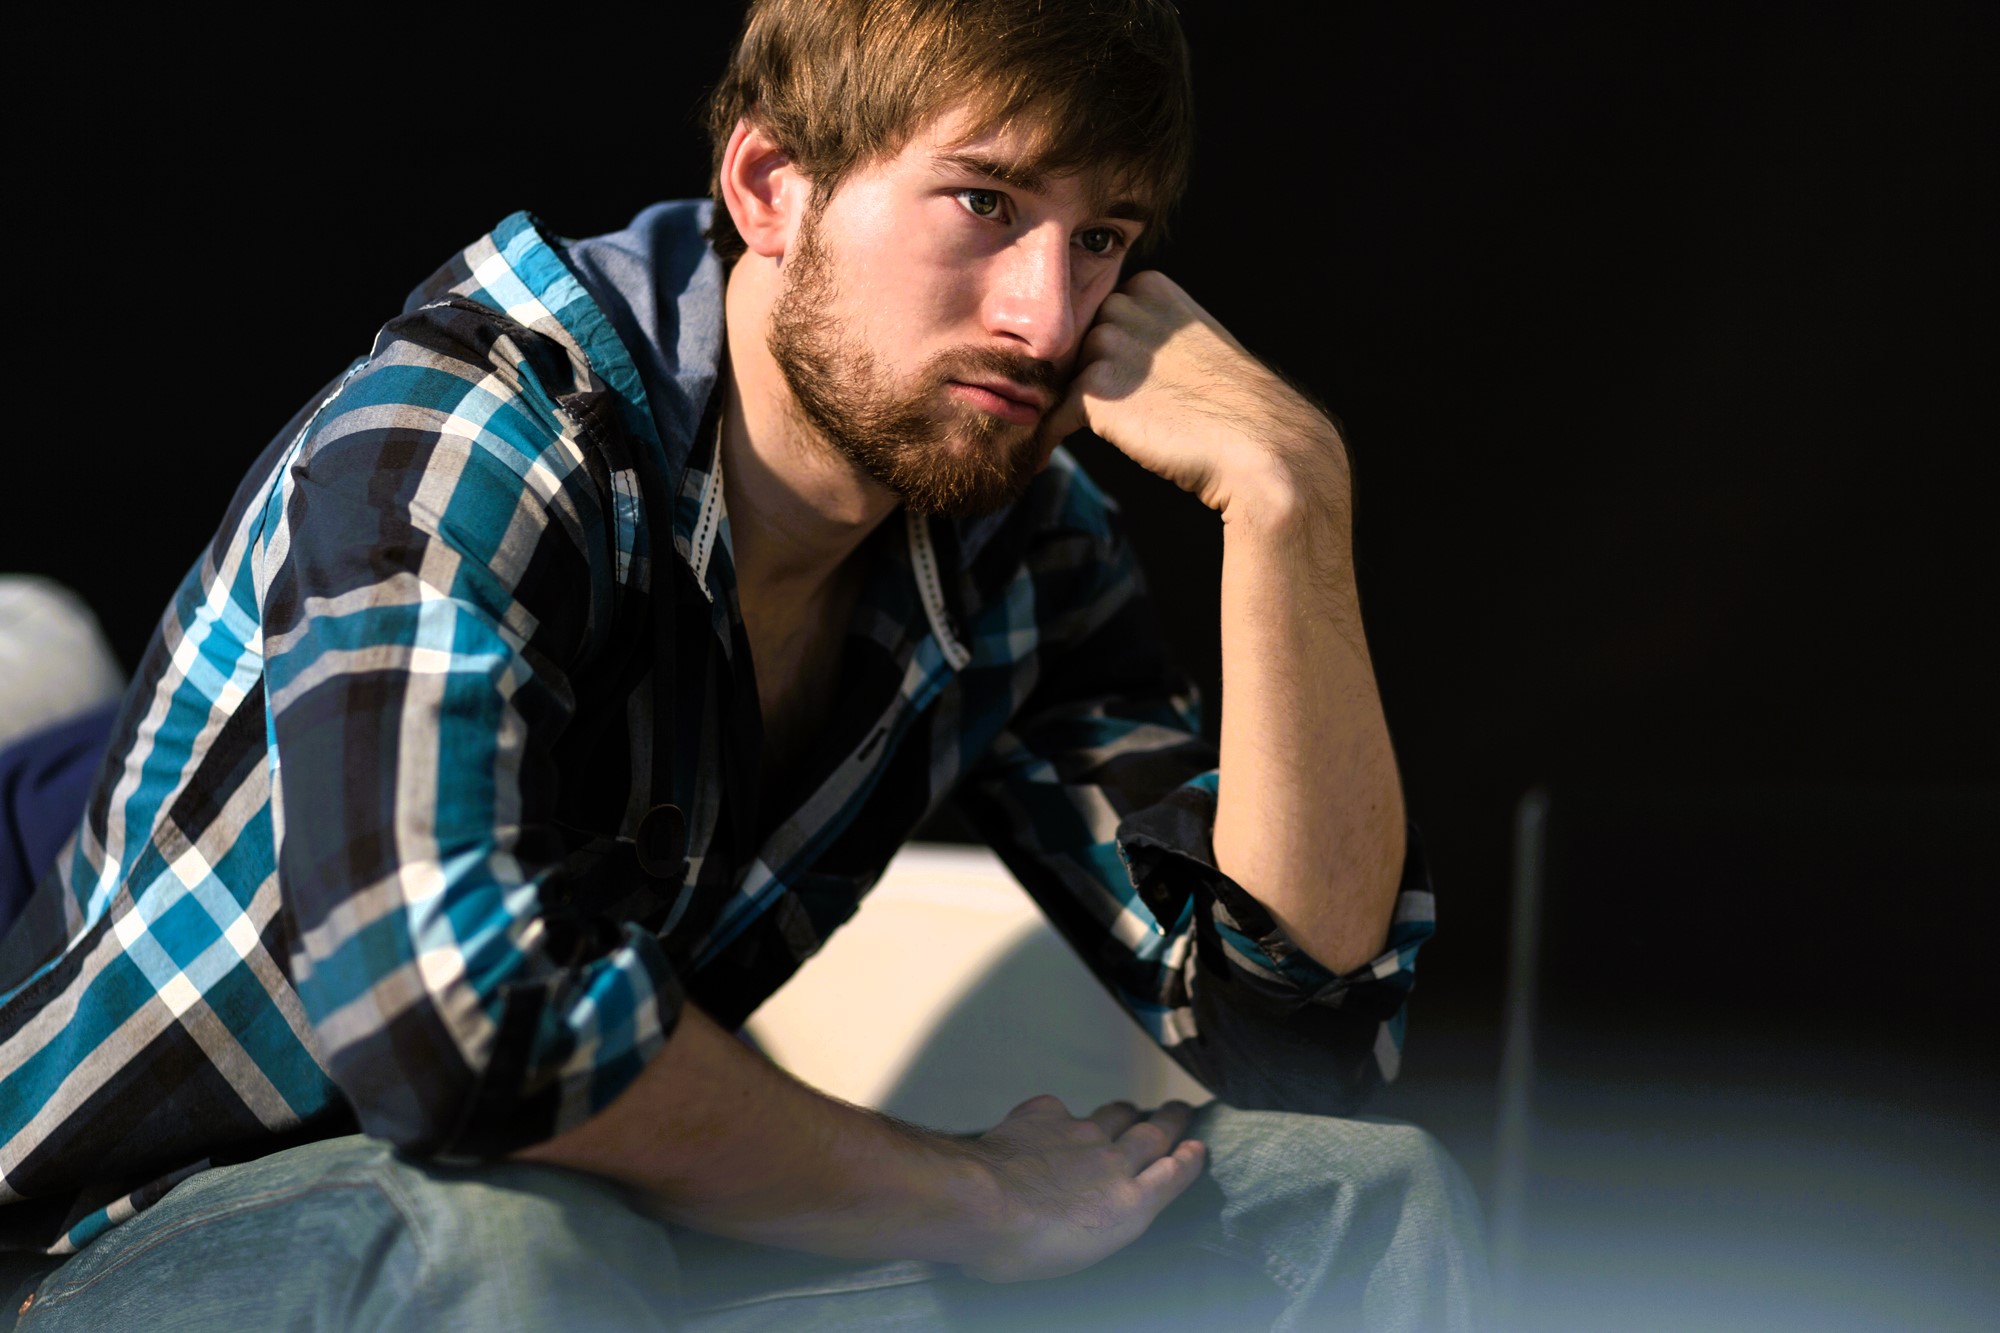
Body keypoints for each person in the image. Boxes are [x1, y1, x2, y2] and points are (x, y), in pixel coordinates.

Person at [0, 1, 1490, 1327]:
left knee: (1351, 1194)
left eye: (1103, 235)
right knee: (490, 1237)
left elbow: (1298, 1034)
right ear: (773, 186)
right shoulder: (480, 431)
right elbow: (462, 1032)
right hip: (112, 1241)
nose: (1051, 315)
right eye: (985, 200)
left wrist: (1292, 503)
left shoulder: (1022, 546)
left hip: (612, 1216)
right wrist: (968, 1194)